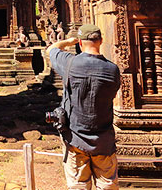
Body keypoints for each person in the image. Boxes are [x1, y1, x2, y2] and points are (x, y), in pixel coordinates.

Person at [47, 24, 121, 190]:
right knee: (108, 186)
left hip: (75, 139)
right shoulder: (113, 70)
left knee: (78, 186)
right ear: (101, 41)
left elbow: (51, 49)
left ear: (80, 42)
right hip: (103, 141)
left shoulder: (69, 63)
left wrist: (68, 42)